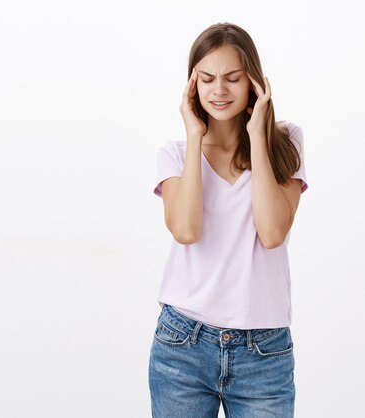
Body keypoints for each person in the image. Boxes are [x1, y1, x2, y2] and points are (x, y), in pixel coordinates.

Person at [148, 22, 308, 417]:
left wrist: (257, 136)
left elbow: (272, 233)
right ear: (192, 87)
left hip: (264, 353)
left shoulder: (285, 143)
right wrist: (194, 136)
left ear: (254, 81)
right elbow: (186, 230)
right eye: (207, 79)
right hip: (182, 345)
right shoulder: (174, 154)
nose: (219, 90)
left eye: (233, 78)